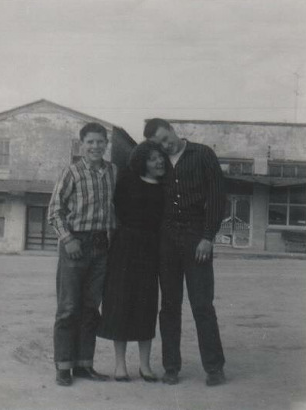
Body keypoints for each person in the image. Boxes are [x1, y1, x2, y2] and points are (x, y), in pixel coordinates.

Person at [144, 118, 226, 387]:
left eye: (166, 139)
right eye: (159, 144)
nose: (166, 146)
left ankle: (214, 368)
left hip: (196, 237)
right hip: (166, 240)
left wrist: (207, 237)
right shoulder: (159, 162)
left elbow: (216, 196)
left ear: (172, 129)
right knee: (169, 307)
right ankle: (171, 367)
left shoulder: (203, 154)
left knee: (202, 304)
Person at [48, 122, 117, 387]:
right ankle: (63, 366)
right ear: (82, 144)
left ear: (106, 144)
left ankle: (84, 365)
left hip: (101, 246)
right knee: (68, 307)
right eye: (90, 142)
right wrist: (68, 239)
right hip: (75, 244)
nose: (96, 146)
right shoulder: (72, 172)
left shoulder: (112, 172)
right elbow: (54, 211)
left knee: (91, 308)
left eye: (100, 142)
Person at [97, 141, 167, 382]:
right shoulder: (127, 181)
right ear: (142, 162)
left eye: (161, 157)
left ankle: (145, 366)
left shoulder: (165, 186)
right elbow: (115, 210)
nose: (159, 161)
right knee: (120, 303)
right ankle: (120, 366)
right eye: (152, 158)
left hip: (151, 249)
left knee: (146, 305)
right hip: (125, 247)